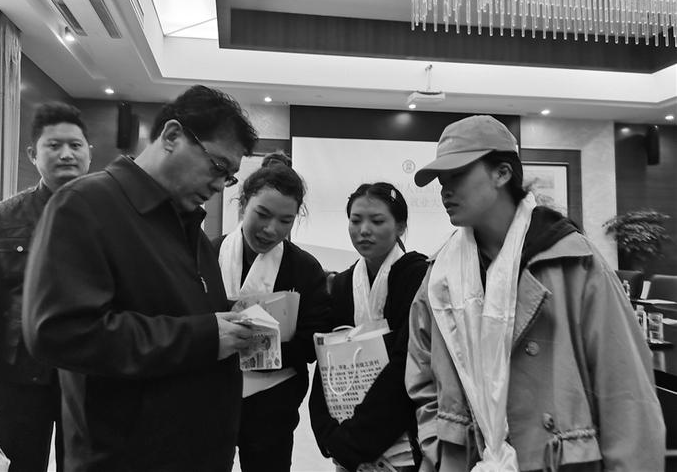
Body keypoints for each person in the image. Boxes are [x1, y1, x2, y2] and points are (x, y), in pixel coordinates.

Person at [405, 115, 665, 472]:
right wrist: (439, 446)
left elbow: (626, 393)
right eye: (441, 180)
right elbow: (421, 375)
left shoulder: (573, 263)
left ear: (502, 173)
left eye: (457, 175)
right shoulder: (440, 277)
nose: (444, 191)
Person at [22, 85, 259, 472]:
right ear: (172, 136)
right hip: (125, 457)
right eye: (218, 167)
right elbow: (60, 332)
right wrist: (204, 336)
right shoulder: (85, 205)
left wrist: (231, 319)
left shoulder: (188, 226)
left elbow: (172, 308)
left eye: (229, 177)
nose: (220, 185)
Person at [0, 102, 91, 471]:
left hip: (89, 372)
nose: (66, 154)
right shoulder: (0, 219)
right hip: (19, 373)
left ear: (89, 152)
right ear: (32, 154)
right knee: (21, 465)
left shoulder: (110, 217)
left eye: (75, 145)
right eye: (54, 145)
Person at [213, 155, 331, 472]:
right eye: (262, 214)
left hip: (273, 404)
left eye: (285, 221)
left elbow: (312, 340)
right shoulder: (208, 254)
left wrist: (259, 347)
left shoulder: (304, 268)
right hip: (211, 397)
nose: (271, 229)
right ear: (242, 204)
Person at [310, 182, 428, 472]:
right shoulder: (342, 284)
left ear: (400, 227)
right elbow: (327, 361)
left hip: (399, 433)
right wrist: (328, 433)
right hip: (347, 429)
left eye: (377, 221)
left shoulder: (418, 277)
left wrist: (356, 439)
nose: (364, 230)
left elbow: (408, 363)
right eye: (355, 220)